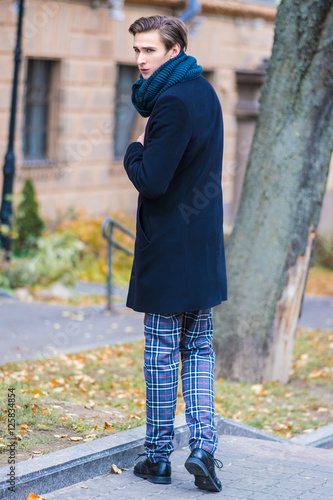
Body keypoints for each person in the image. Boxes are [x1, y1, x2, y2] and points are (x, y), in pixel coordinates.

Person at [123, 15, 227, 493]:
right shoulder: (204, 93)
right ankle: (205, 447)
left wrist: (133, 150)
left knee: (162, 353)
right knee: (199, 349)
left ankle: (158, 456)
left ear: (174, 48)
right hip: (202, 247)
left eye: (150, 50)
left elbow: (153, 180)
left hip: (168, 250)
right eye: (137, 51)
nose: (141, 60)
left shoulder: (170, 104)